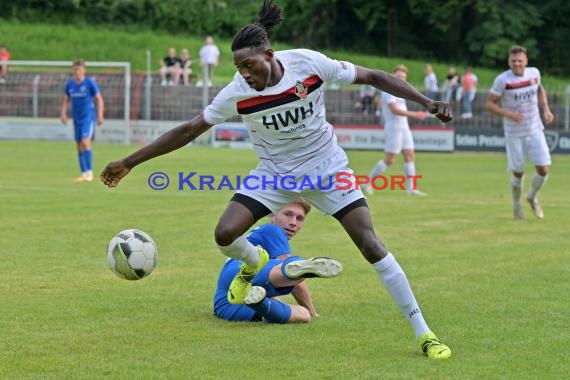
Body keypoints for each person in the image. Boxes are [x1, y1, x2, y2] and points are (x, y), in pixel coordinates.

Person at [100, 0, 452, 359]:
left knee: (371, 244)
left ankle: (424, 334)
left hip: (327, 169)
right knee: (224, 234)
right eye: (238, 67)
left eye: (249, 65)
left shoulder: (310, 64)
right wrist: (130, 161)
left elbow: (375, 76)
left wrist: (427, 102)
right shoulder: (237, 92)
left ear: (269, 54)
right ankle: (254, 264)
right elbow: (190, 129)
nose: (244, 74)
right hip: (274, 175)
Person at [214, 199, 343, 323]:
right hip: (242, 271)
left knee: (303, 315)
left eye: (299, 218)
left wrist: (308, 313)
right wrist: (313, 311)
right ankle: (295, 265)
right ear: (273, 214)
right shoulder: (271, 230)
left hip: (226, 306)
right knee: (291, 271)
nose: (293, 222)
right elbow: (296, 283)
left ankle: (259, 302)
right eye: (288, 214)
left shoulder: (258, 234)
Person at [485, 45, 554, 220]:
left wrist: (545, 108)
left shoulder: (534, 73)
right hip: (514, 133)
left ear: (526, 61)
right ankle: (516, 206)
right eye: (513, 61)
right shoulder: (502, 80)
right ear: (509, 62)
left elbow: (539, 89)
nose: (517, 64)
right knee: (518, 172)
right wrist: (509, 114)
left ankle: (531, 196)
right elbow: (490, 104)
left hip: (535, 128)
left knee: (544, 169)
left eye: (520, 61)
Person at [363, 64, 429, 197]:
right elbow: (395, 110)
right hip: (394, 128)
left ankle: (411, 189)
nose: (401, 79)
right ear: (393, 77)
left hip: (404, 127)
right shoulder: (388, 91)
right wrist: (416, 114)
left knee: (410, 155)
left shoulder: (401, 91)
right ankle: (368, 183)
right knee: (389, 160)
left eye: (403, 77)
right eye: (399, 76)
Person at [61, 59, 104, 182]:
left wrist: (100, 114)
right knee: (79, 146)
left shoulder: (89, 83)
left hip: (88, 118)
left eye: (79, 69)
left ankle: (90, 173)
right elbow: (66, 100)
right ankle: (84, 173)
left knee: (85, 142)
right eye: (75, 69)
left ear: (84, 70)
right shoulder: (70, 85)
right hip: (77, 119)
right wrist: (63, 113)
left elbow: (99, 99)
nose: (77, 71)